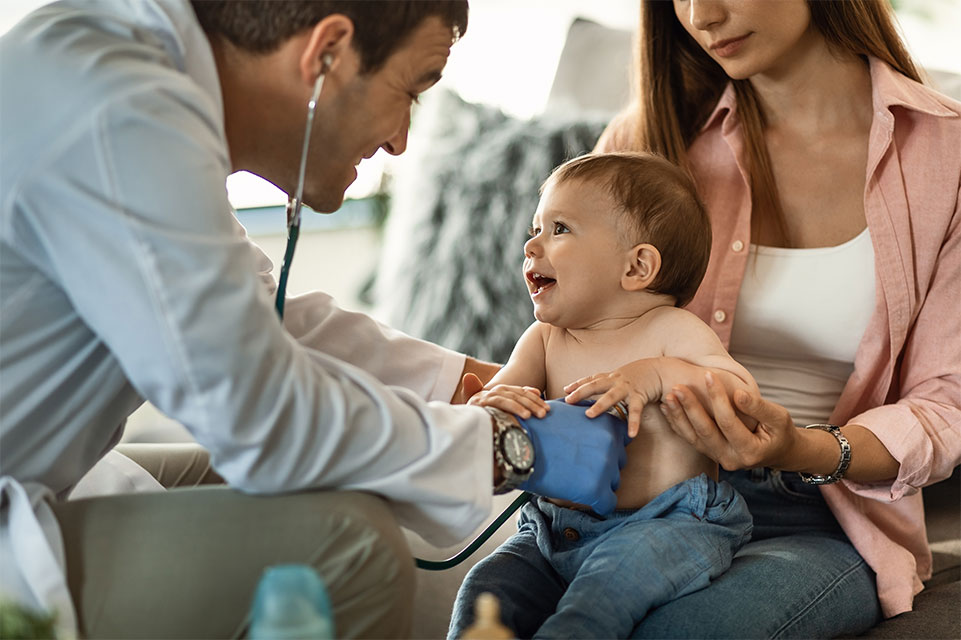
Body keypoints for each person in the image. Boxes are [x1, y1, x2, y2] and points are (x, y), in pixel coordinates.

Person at [0, 1, 630, 638]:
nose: (400, 139)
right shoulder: (119, 114)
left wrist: (481, 382)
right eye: (409, 90)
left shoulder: (143, 76)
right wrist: (512, 448)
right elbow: (257, 412)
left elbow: (255, 320)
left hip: (35, 476)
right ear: (326, 51)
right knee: (353, 549)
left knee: (323, 490)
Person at [580, 0, 961, 637]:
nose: (702, 15)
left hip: (819, 515)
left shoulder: (945, 154)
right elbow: (568, 335)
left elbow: (944, 403)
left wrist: (801, 448)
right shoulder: (647, 142)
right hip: (639, 497)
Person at [447, 152, 759, 639]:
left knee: (597, 601)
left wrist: (657, 375)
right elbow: (500, 399)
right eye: (536, 228)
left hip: (669, 525)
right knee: (486, 589)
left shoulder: (673, 331)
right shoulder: (544, 339)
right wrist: (489, 407)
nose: (531, 245)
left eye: (560, 229)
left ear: (637, 266)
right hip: (553, 526)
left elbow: (742, 396)